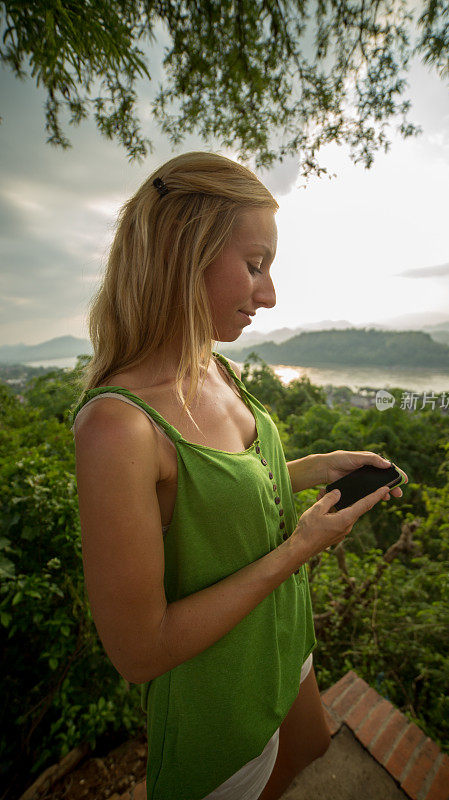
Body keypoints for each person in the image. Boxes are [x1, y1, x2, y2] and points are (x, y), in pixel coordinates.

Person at [70, 151, 406, 800]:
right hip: (217, 697)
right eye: (254, 266)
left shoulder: (214, 367)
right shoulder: (118, 427)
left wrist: (313, 468)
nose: (269, 295)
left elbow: (219, 487)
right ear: (182, 252)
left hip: (282, 639)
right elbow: (141, 652)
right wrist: (301, 547)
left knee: (307, 750)